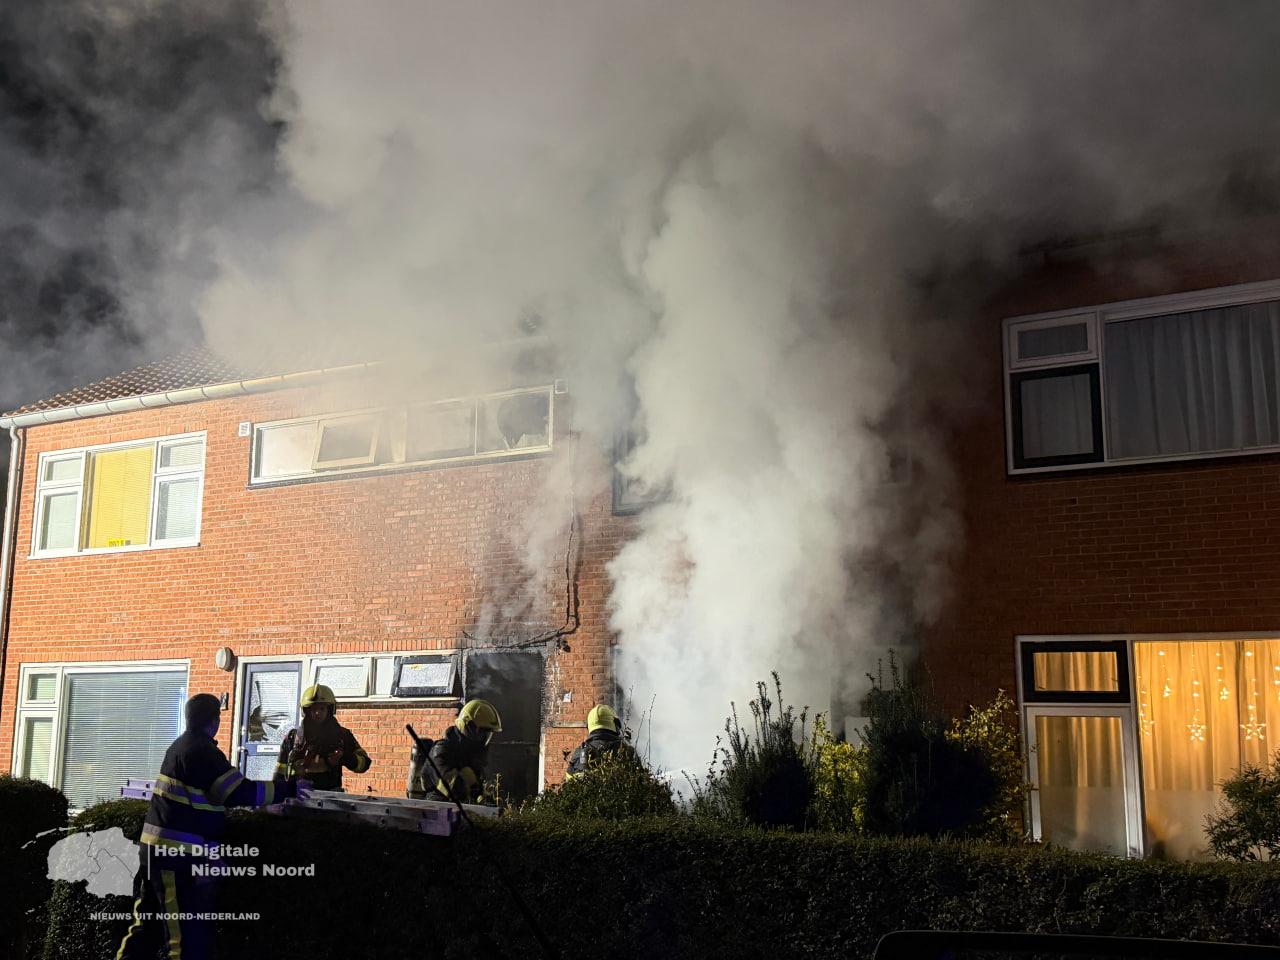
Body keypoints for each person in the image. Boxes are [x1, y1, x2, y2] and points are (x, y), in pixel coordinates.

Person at [117, 693, 307, 960]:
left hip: (157, 852)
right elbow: (237, 792)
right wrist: (287, 790)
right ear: (215, 721)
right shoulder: (202, 751)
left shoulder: (181, 746)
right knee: (184, 941)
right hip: (176, 859)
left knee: (146, 930)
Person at [273, 684, 372, 791]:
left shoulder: (342, 735)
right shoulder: (293, 737)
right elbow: (280, 772)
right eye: (313, 709)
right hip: (299, 798)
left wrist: (345, 757)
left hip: (330, 799)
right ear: (306, 711)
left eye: (322, 709)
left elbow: (364, 764)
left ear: (329, 710)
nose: (317, 713)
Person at [407, 698, 502, 803]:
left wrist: (485, 799)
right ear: (467, 726)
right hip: (433, 812)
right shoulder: (441, 751)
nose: (483, 739)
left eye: (487, 735)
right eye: (481, 733)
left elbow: (475, 791)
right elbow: (456, 789)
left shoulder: (469, 757)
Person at [565, 704, 629, 778]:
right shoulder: (625, 751)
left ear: (589, 727)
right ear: (616, 725)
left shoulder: (578, 753)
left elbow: (568, 785)